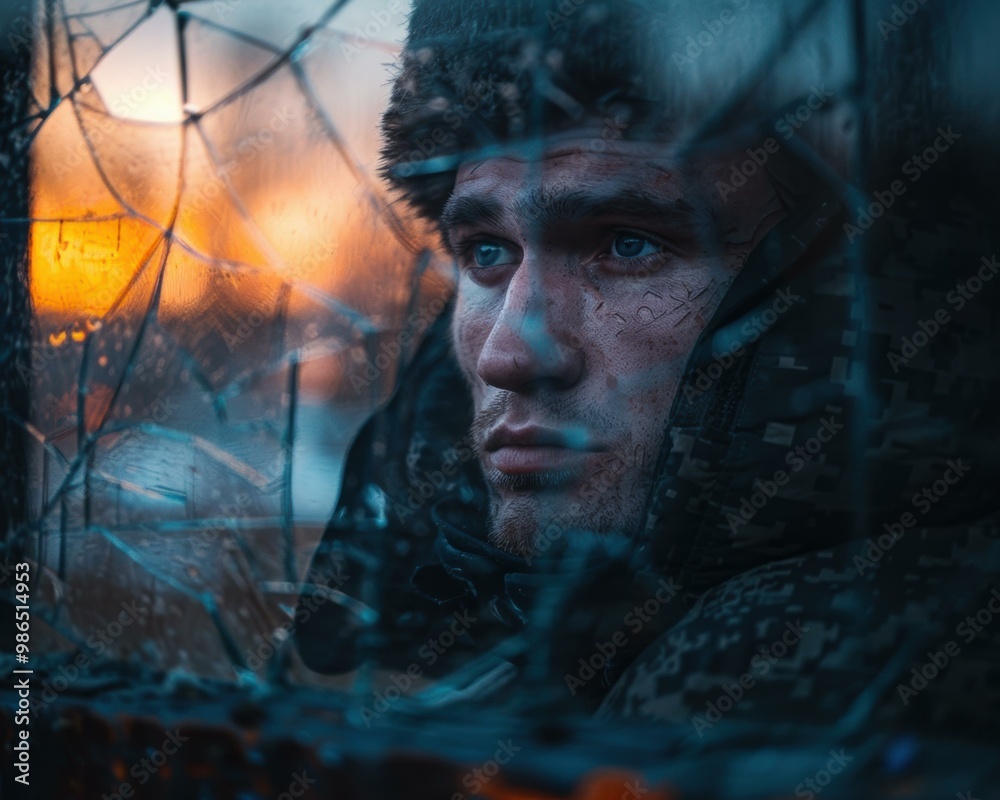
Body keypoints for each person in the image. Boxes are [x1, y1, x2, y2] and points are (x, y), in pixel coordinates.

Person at [296, 0, 1000, 739]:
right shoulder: (496, 655)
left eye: (629, 245)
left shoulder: (803, 679)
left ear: (877, 283)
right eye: (487, 252)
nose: (510, 355)